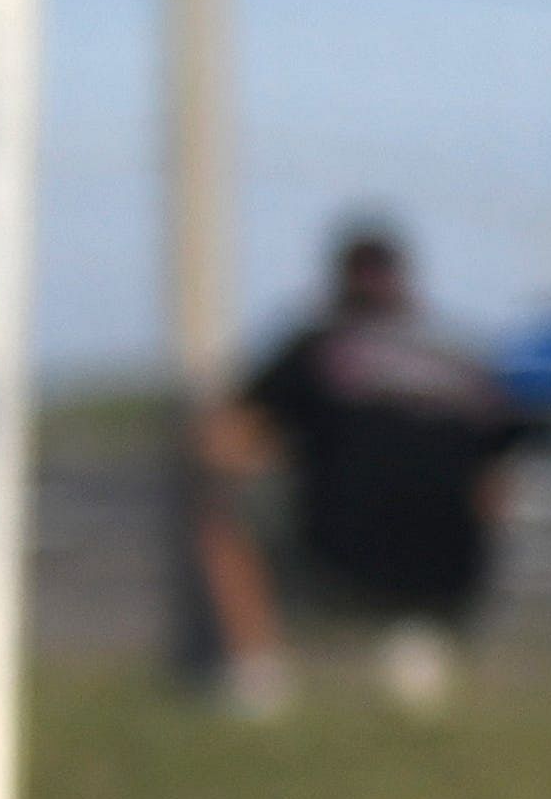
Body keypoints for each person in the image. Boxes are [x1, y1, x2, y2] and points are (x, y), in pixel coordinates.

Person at [221, 219, 525, 710]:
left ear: (338, 283)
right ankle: (428, 633)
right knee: (482, 493)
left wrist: (288, 458)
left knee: (224, 503)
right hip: (453, 570)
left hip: (338, 551)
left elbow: (227, 437)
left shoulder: (318, 344)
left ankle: (259, 674)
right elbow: (496, 477)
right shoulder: (461, 357)